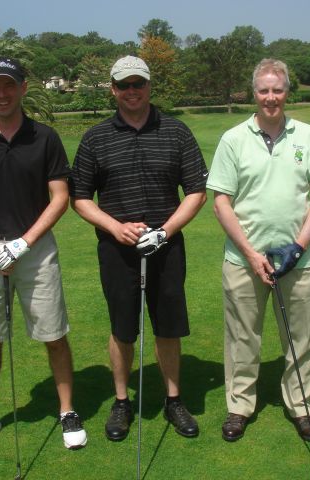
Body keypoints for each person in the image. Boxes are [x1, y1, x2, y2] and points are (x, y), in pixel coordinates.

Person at [69, 55, 207, 441]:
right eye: (124, 85)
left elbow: (196, 191)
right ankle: (121, 402)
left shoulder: (176, 131)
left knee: (168, 326)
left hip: (166, 247)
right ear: (113, 89)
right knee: (123, 328)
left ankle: (173, 399)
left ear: (148, 86)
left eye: (138, 84)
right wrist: (116, 228)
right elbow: (80, 197)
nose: (132, 91)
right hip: (117, 250)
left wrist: (164, 231)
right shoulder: (96, 137)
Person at [0, 57, 87, 453]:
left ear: (23, 88)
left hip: (36, 250)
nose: (3, 93)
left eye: (9, 85)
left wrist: (24, 243)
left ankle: (67, 411)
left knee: (54, 335)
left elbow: (59, 197)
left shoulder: (44, 137)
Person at [207, 58, 310, 442]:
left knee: (303, 338)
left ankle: (302, 406)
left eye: (277, 90)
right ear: (254, 93)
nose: (271, 97)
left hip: (299, 260)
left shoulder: (308, 136)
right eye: (264, 90)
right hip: (244, 260)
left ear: (287, 92)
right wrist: (250, 253)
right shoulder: (233, 139)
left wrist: (299, 246)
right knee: (243, 337)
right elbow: (221, 202)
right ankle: (240, 406)